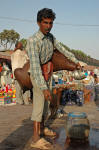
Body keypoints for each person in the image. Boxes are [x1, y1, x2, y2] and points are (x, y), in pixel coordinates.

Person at [26, 8, 80, 149]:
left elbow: (62, 49)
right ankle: (35, 138)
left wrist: (75, 60)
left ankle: (42, 129)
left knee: (45, 105)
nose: (48, 26)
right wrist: (43, 88)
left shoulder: (51, 37)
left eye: (51, 23)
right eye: (45, 23)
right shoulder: (32, 41)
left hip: (48, 73)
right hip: (38, 75)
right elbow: (36, 67)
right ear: (38, 23)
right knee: (38, 105)